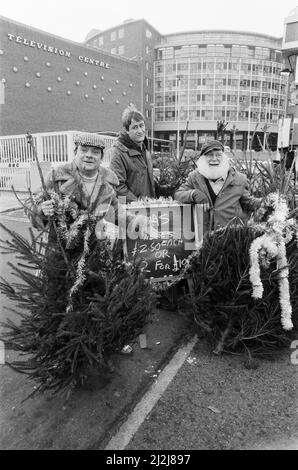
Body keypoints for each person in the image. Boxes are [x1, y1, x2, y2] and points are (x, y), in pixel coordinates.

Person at [26, 131, 146, 239]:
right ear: (75, 152)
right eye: (83, 150)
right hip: (60, 253)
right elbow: (31, 202)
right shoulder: (57, 176)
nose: (89, 155)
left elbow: (114, 211)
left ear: (101, 157)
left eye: (95, 152)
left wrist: (135, 222)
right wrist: (41, 209)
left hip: (94, 251)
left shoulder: (108, 181)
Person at [174, 140, 261, 232]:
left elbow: (248, 202)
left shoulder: (239, 179)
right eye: (210, 155)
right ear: (203, 158)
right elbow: (178, 195)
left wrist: (265, 202)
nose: (214, 159)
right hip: (204, 237)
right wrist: (193, 193)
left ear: (223, 157)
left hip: (230, 236)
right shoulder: (194, 177)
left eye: (218, 155)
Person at [109, 104, 155, 203]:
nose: (140, 131)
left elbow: (147, 181)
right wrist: (138, 204)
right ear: (126, 130)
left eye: (141, 125)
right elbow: (118, 187)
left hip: (148, 206)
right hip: (131, 209)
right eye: (134, 127)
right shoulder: (118, 152)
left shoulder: (144, 149)